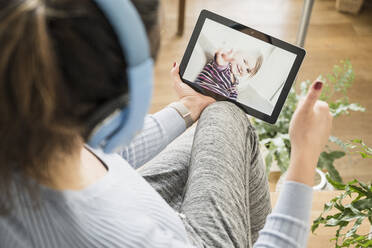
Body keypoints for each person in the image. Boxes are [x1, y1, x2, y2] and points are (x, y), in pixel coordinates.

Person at [0, 1, 333, 248]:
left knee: (218, 115)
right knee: (228, 115)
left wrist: (189, 106)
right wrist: (303, 159)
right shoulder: (117, 238)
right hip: (170, 235)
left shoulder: (22, 126)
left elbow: (101, 154)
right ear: (134, 82)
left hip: (122, 200)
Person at [195, 48, 263, 100]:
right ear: (236, 51)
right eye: (244, 61)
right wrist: (224, 58)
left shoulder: (235, 84)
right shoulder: (224, 65)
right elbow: (220, 64)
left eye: (248, 70)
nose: (243, 69)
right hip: (202, 94)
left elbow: (232, 100)